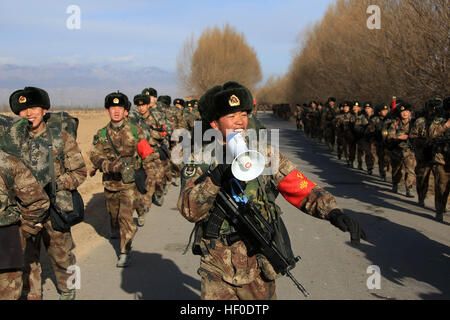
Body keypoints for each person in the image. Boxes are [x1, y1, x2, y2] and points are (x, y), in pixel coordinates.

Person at [177, 81, 366, 300]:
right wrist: (216, 178)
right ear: (215, 124)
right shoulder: (198, 158)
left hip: (258, 259)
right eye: (231, 116)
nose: (240, 122)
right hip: (217, 264)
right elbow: (189, 211)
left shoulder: (263, 153)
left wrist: (333, 212)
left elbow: (298, 185)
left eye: (243, 114)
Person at [8, 86, 87, 300]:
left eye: (34, 108)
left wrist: (54, 184)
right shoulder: (12, 142)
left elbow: (79, 172)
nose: (29, 113)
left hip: (55, 208)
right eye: (24, 110)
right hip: (25, 212)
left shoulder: (60, 138)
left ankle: (70, 289)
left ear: (44, 110)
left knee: (62, 256)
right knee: (27, 260)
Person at [89, 91, 159, 267]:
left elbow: (147, 155)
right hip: (110, 183)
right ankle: (114, 226)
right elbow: (95, 156)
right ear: (107, 111)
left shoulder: (136, 131)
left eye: (120, 108)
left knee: (125, 217)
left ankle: (125, 251)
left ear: (126, 111)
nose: (116, 111)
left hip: (129, 184)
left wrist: (150, 180)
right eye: (113, 108)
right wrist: (108, 166)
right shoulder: (102, 134)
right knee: (114, 215)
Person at [0, 149, 50, 300]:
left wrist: (24, 231)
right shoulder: (9, 161)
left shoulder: (8, 163)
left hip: (5, 238)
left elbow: (37, 201)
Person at [409, 99, 441, 207]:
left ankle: (440, 206)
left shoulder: (442, 121)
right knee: (422, 177)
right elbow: (412, 136)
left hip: (438, 155)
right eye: (431, 108)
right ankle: (421, 198)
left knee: (439, 182)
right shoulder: (420, 121)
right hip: (423, 154)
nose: (433, 111)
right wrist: (423, 142)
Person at [385, 101, 416, 197]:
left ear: (410, 112)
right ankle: (395, 183)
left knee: (410, 170)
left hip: (409, 151)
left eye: (407, 111)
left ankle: (409, 188)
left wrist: (409, 137)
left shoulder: (414, 123)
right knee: (397, 169)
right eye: (403, 112)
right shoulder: (395, 123)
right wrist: (398, 137)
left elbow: (418, 135)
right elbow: (389, 135)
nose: (405, 113)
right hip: (396, 150)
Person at [428, 96, 449, 222]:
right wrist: (446, 125)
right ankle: (440, 210)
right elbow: (431, 134)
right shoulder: (440, 120)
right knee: (441, 186)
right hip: (442, 159)